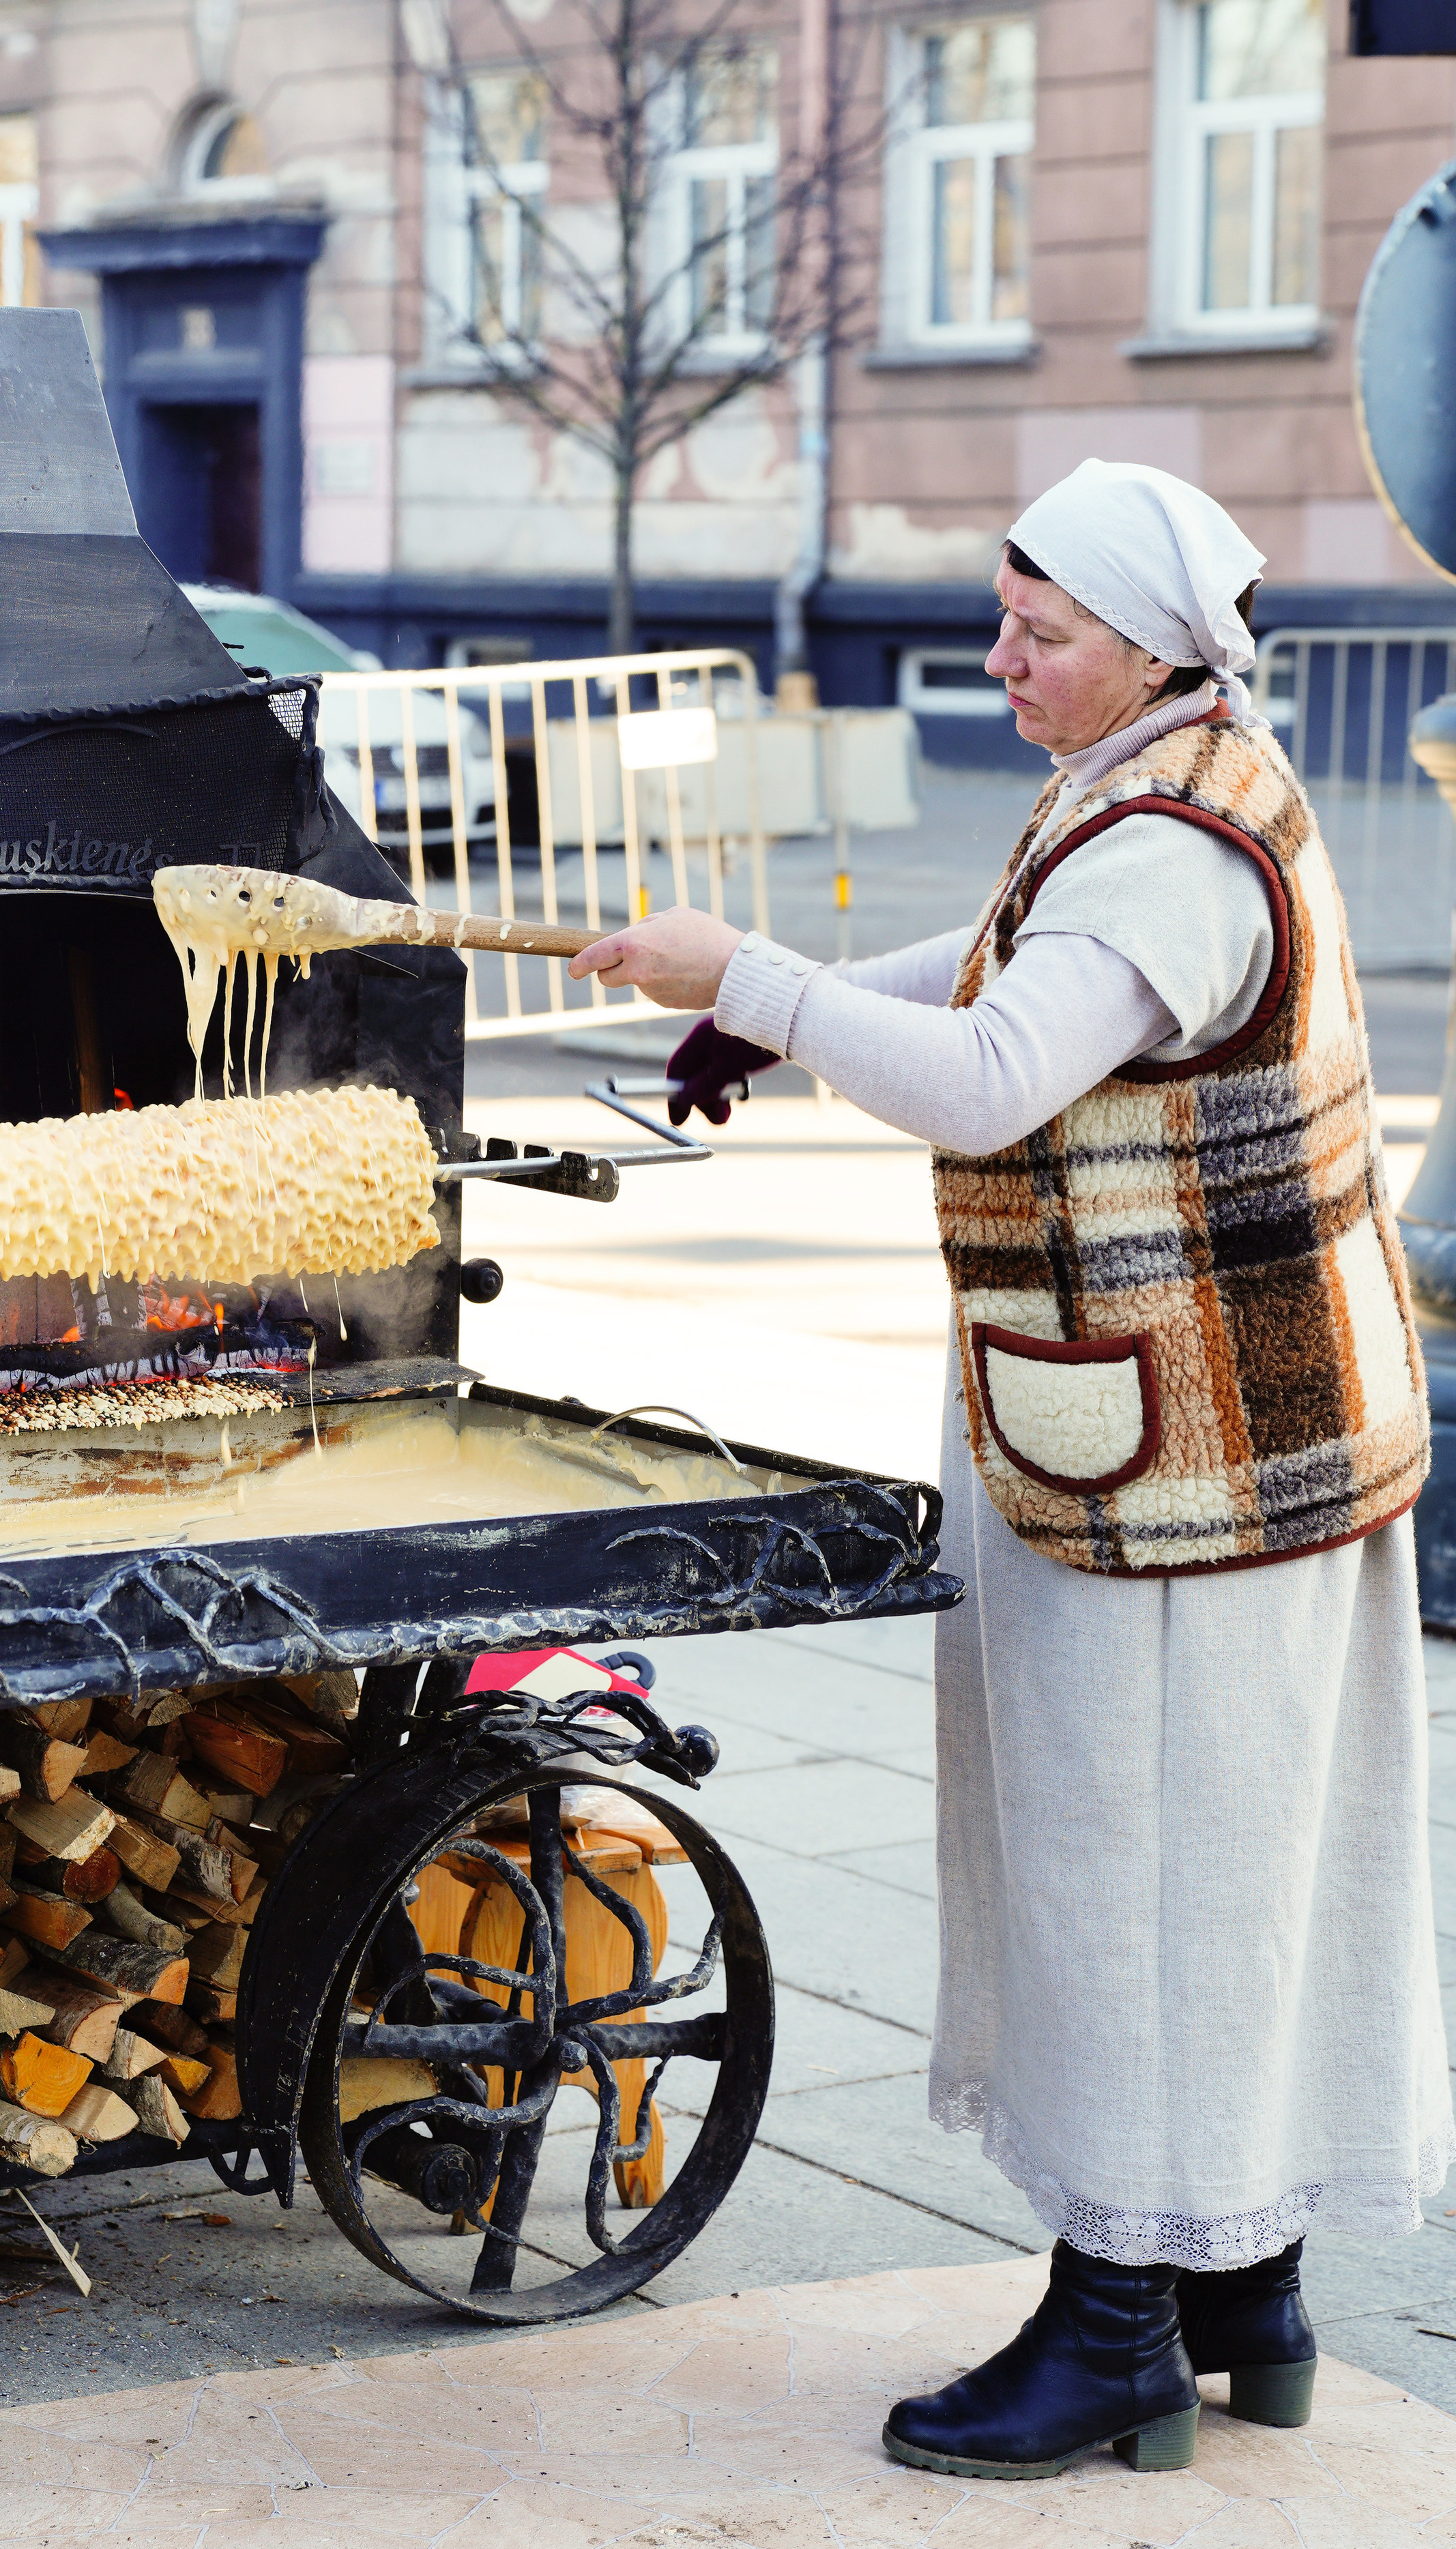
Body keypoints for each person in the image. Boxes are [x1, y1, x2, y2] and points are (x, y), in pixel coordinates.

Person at [568, 459, 1453, 2484]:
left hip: (1178, 1476)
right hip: (1249, 1437)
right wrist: (775, 1022)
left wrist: (751, 978)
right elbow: (992, 967)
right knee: (1222, 1868)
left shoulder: (1172, 854)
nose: (998, 658)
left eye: (1036, 633)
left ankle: (1117, 2332)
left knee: (1126, 1874)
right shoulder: (1191, 780)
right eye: (1003, 615)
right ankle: (1251, 2295)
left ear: (1148, 646)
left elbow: (983, 1074)